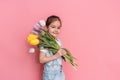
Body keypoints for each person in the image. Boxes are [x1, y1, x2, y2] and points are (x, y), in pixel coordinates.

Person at [39, 15, 67, 80]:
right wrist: (56, 55)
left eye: (58, 28)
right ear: (46, 28)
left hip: (60, 73)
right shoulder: (44, 43)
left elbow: (60, 55)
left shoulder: (59, 41)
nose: (56, 30)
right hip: (50, 75)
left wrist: (64, 54)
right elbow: (41, 60)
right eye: (53, 27)